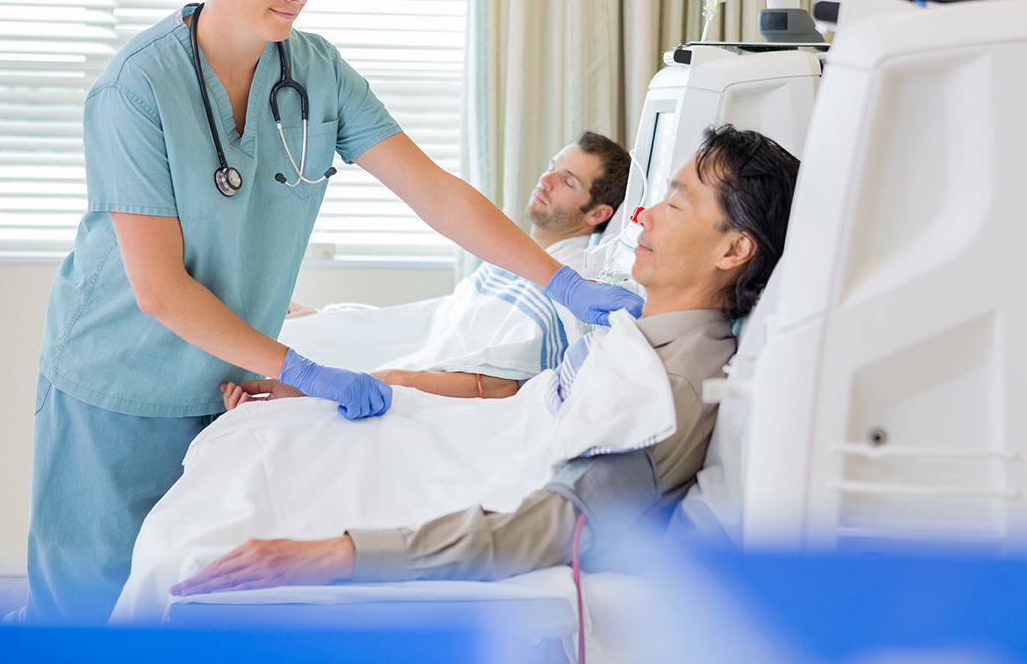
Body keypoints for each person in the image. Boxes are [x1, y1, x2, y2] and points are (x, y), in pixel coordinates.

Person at [21, 0, 640, 625]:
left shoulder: (314, 71)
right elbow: (158, 289)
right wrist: (302, 368)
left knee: (176, 595)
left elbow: (436, 195)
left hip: (223, 369)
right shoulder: (136, 90)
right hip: (116, 377)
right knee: (82, 610)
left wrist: (560, 282)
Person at [169, 125, 799, 596]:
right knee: (256, 441)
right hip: (463, 442)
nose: (643, 215)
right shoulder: (637, 330)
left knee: (204, 533)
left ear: (734, 249)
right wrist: (318, 391)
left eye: (677, 203)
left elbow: (557, 525)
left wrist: (344, 555)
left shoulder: (672, 386)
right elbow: (519, 405)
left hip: (470, 482)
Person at [266, 132, 632, 401]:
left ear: (598, 214)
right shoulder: (511, 255)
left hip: (415, 376)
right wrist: (333, 318)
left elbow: (499, 383)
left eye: (568, 181)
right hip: (411, 350)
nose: (546, 180)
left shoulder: (572, 287)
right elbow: (442, 321)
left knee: (274, 378)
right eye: (554, 167)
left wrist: (387, 378)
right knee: (292, 330)